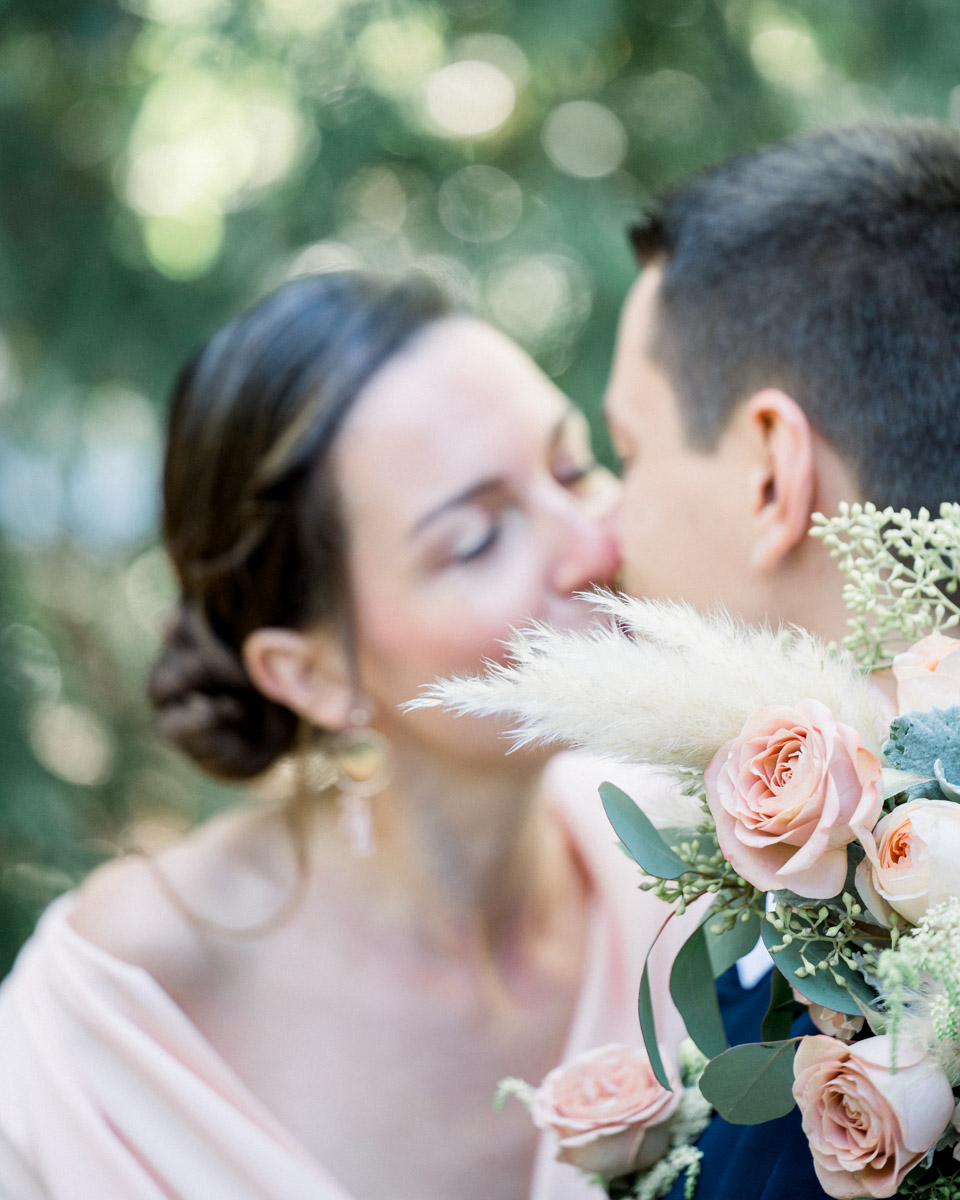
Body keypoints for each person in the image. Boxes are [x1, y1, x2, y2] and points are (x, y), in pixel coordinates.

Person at [0, 270, 687, 1200]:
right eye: (479, 539)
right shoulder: (117, 1009)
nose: (593, 545)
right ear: (312, 674)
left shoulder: (709, 848)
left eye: (573, 468)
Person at [603, 119, 960, 1199]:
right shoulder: (802, 951)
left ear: (770, 471)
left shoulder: (828, 1087)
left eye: (630, 451)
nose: (606, 525)